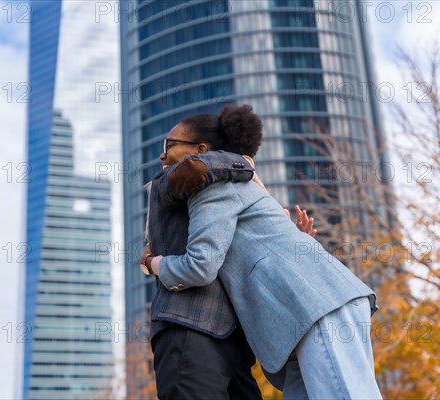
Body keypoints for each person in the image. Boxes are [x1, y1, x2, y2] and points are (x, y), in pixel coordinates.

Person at [146, 108, 383, 399]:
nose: (161, 156)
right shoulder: (239, 181)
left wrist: (152, 262)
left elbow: (200, 266)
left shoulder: (215, 185)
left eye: (168, 146)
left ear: (201, 150)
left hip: (313, 308)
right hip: (295, 320)